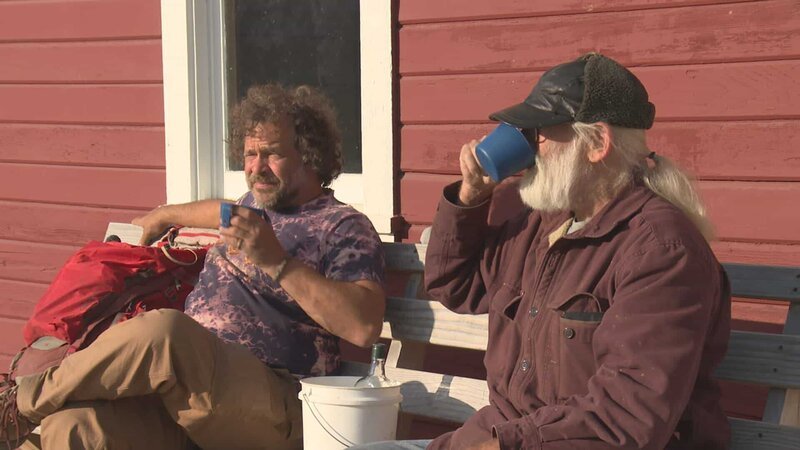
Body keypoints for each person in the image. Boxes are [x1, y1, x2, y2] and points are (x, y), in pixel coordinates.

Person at [355, 53, 731, 450]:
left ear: (597, 143)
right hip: (499, 437)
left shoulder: (662, 250)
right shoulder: (543, 223)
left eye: (541, 133)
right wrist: (472, 196)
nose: (530, 148)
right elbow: (455, 285)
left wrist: (505, 446)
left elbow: (624, 417)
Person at [0, 84, 386, 450]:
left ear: (310, 154)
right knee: (76, 428)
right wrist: (164, 215)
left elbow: (363, 326)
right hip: (188, 396)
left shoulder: (342, 226)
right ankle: (18, 417)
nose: (257, 167)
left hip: (275, 403)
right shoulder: (251, 205)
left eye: (271, 153)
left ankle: (19, 405)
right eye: (250, 154)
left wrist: (277, 262)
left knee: (166, 332)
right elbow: (216, 209)